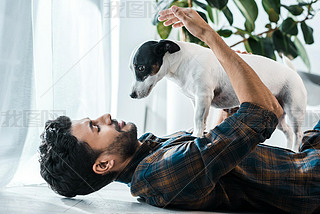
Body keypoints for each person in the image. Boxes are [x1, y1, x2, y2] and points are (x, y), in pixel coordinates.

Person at [39, 6, 320, 214]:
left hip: (308, 152)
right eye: (96, 127)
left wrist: (236, 78)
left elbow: (230, 146)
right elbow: (262, 112)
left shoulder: (155, 152)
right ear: (103, 165)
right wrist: (211, 37)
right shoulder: (162, 173)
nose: (106, 116)